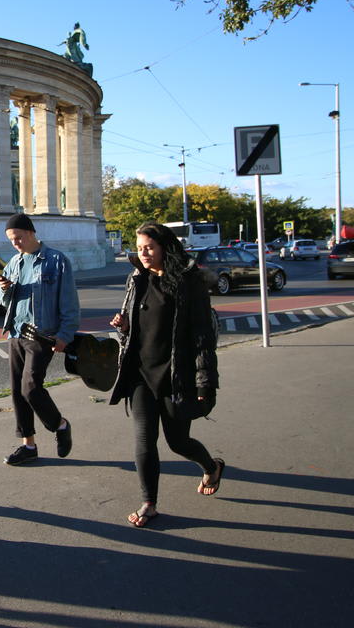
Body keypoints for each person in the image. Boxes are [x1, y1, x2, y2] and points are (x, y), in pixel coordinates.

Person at [108, 223, 224, 527]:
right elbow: (134, 327)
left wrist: (205, 380)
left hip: (176, 375)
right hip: (140, 374)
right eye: (139, 247)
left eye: (149, 247)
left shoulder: (188, 282)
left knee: (178, 442)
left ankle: (211, 466)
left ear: (164, 248)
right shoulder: (137, 279)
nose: (143, 253)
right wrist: (123, 326)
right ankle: (149, 503)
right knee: (144, 441)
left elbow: (202, 336)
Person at [0, 213, 79, 466]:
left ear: (31, 233)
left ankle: (60, 425)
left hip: (42, 335)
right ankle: (28, 445)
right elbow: (3, 302)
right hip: (16, 334)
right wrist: (3, 290)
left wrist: (65, 334)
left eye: (18, 237)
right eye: (11, 240)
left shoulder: (55, 260)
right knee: (17, 392)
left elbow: (69, 302)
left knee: (30, 387)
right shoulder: (14, 263)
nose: (16, 243)